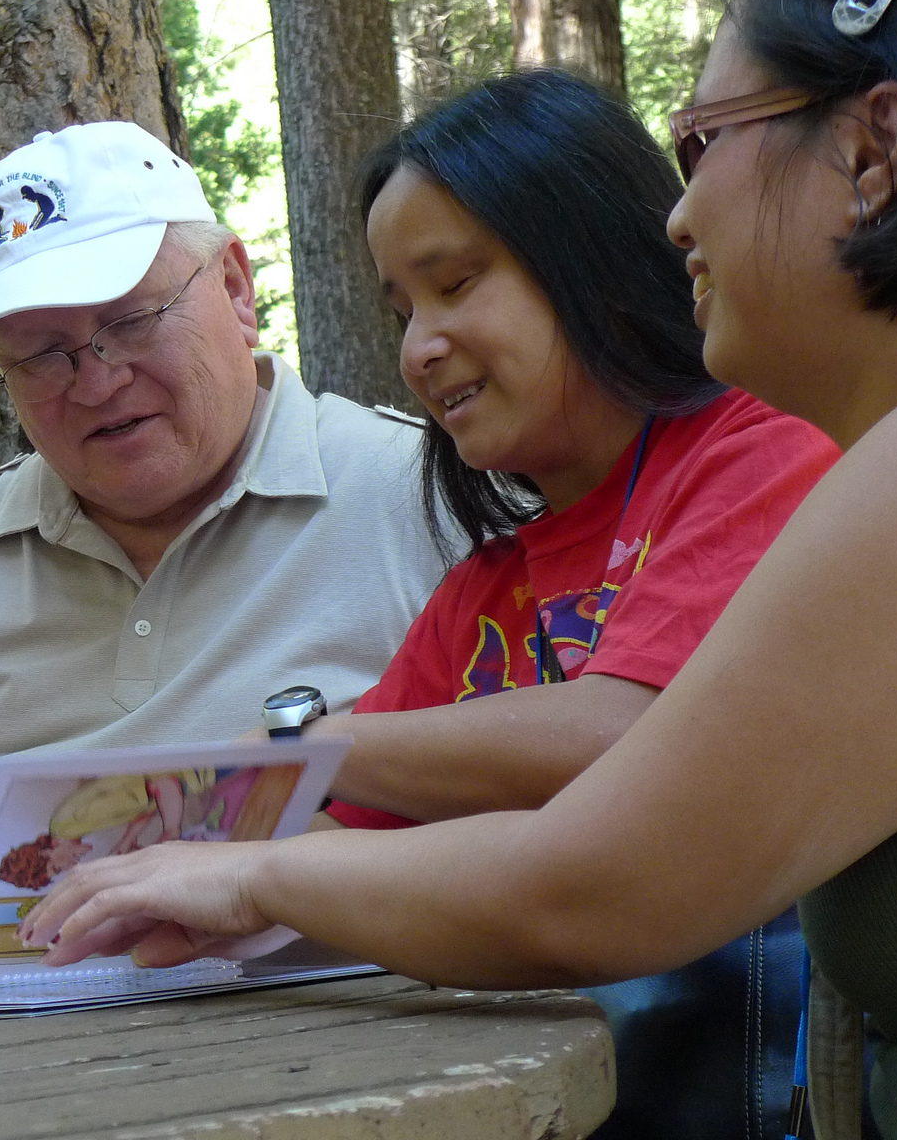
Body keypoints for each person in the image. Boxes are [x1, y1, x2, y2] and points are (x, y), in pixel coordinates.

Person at [23, 0, 897, 1133]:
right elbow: (377, 843)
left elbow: (604, 882)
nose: (675, 218)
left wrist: (252, 865)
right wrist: (70, 892)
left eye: (701, 144)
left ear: (870, 150)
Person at [0, 121, 454, 993]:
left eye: (132, 321)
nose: (97, 381)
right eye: (41, 356)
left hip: (316, 1036)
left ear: (235, 286)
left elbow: (550, 808)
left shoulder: (429, 493)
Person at [259, 71, 835, 1140]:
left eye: (454, 282)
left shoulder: (759, 455)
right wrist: (65, 898)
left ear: (595, 255)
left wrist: (312, 749)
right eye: (401, 308)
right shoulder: (483, 592)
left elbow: (629, 731)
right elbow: (322, 839)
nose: (418, 347)